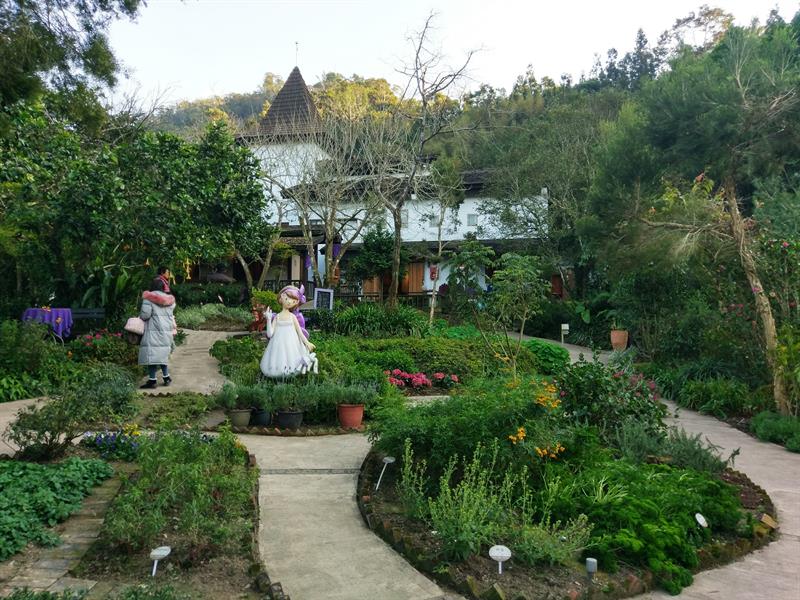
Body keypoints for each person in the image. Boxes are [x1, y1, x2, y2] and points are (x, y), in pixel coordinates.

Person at [260, 285, 318, 378]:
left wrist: (307, 343)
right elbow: (270, 334)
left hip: (291, 344)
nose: (290, 302)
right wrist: (268, 319)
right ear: (282, 297)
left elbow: (299, 333)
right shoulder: (277, 317)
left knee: (292, 360)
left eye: (294, 301)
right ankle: (278, 375)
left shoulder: (293, 317)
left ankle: (290, 375)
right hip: (277, 345)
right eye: (287, 298)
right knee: (278, 360)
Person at [138, 279, 177, 389]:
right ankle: (166, 377)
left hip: (153, 329)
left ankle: (152, 380)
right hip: (166, 330)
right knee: (162, 353)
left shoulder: (148, 298)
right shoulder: (169, 300)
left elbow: (145, 315)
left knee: (152, 355)